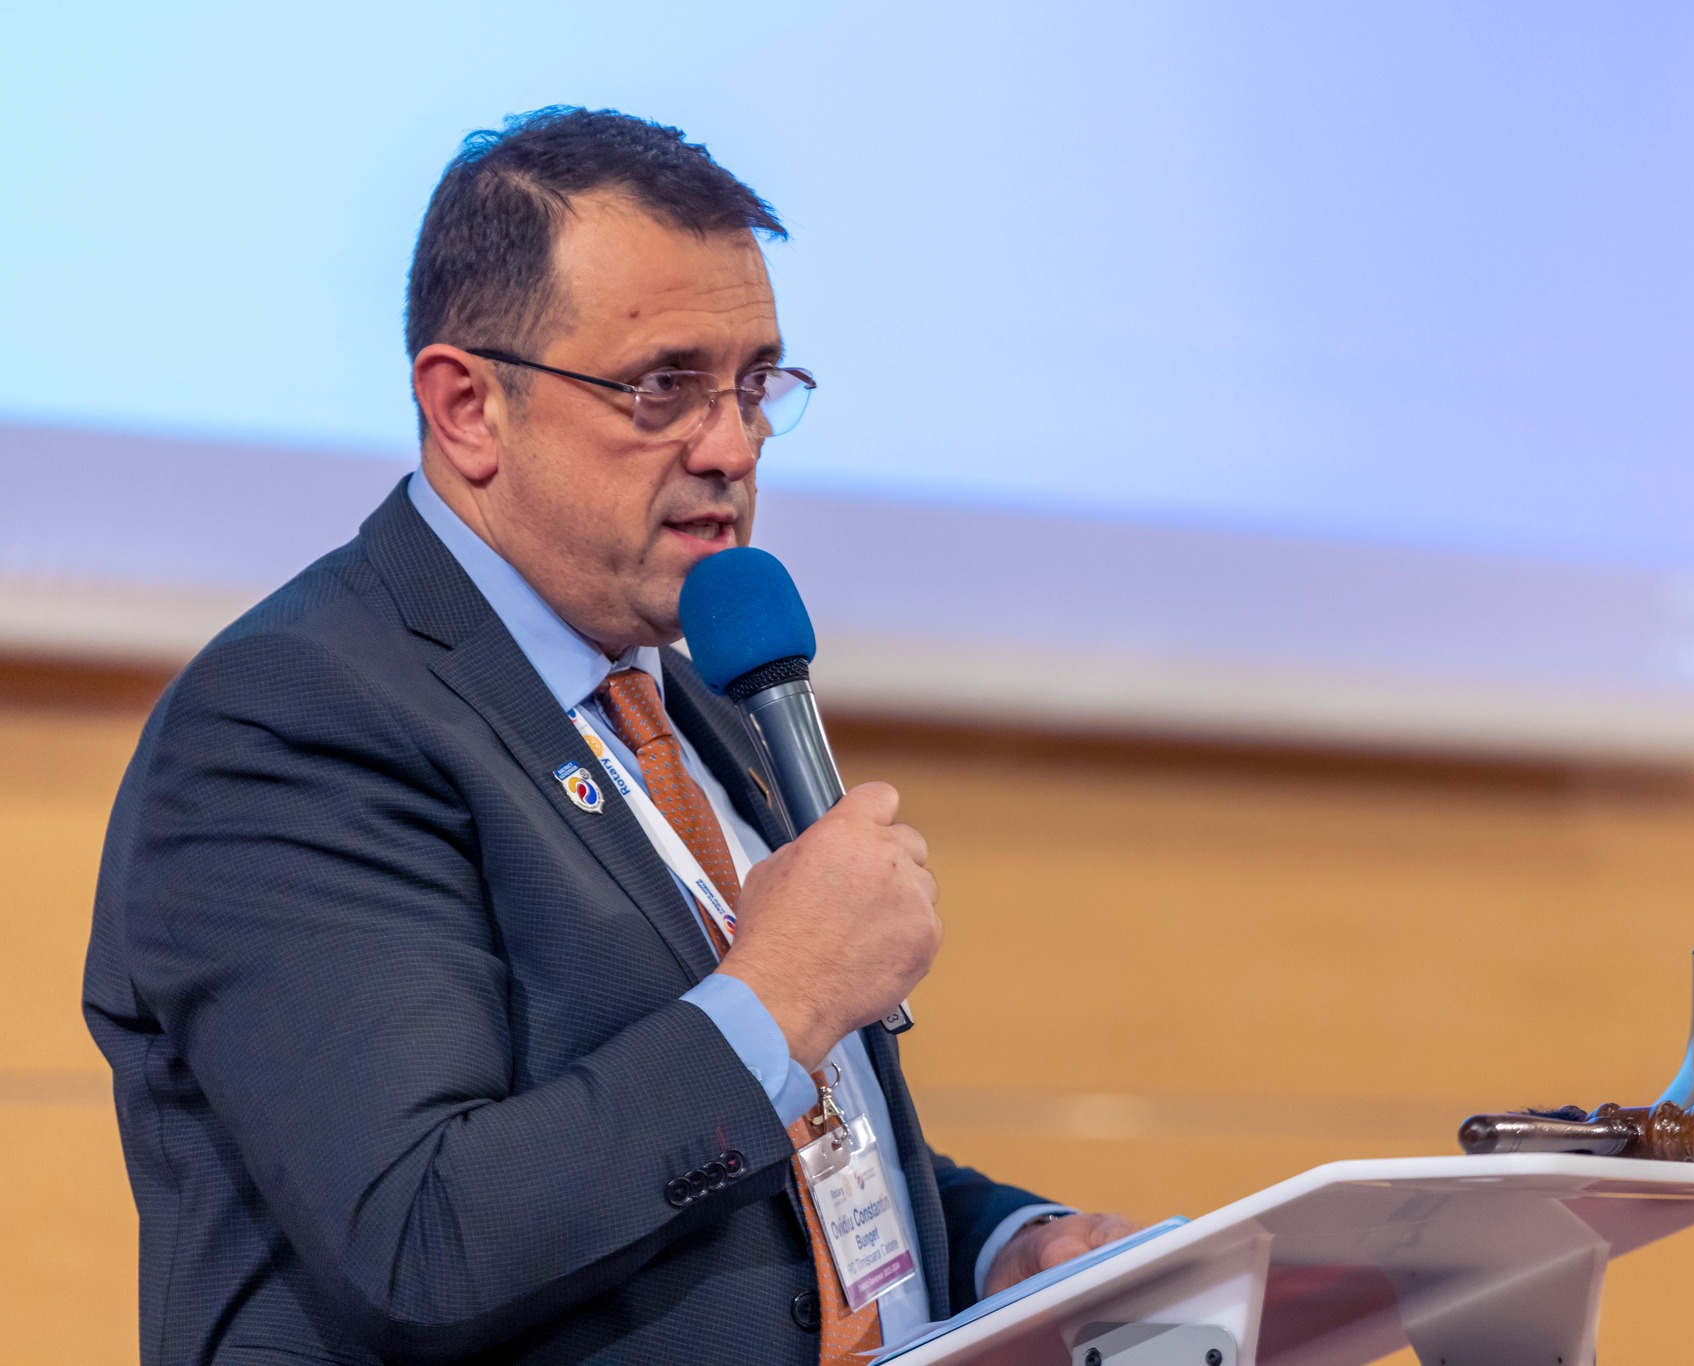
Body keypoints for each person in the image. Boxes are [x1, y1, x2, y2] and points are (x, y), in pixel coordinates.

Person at [84, 106, 1133, 1366]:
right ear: (467, 407)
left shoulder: (689, 699)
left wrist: (1002, 1245)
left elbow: (763, 1162)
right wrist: (787, 991)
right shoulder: (293, 716)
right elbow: (425, 1236)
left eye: (755, 384)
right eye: (662, 386)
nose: (730, 445)